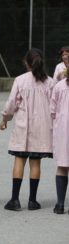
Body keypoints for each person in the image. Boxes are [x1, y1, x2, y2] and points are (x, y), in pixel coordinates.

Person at [0, 48, 53, 211]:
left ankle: (14, 200)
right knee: (35, 163)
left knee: (19, 160)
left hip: (24, 126)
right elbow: (54, 106)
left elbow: (11, 104)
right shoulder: (50, 82)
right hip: (42, 128)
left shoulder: (20, 80)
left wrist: (5, 118)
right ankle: (32, 201)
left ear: (26, 62)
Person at [50, 67, 69, 214]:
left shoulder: (59, 86)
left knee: (62, 166)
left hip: (63, 131)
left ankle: (60, 204)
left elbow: (52, 110)